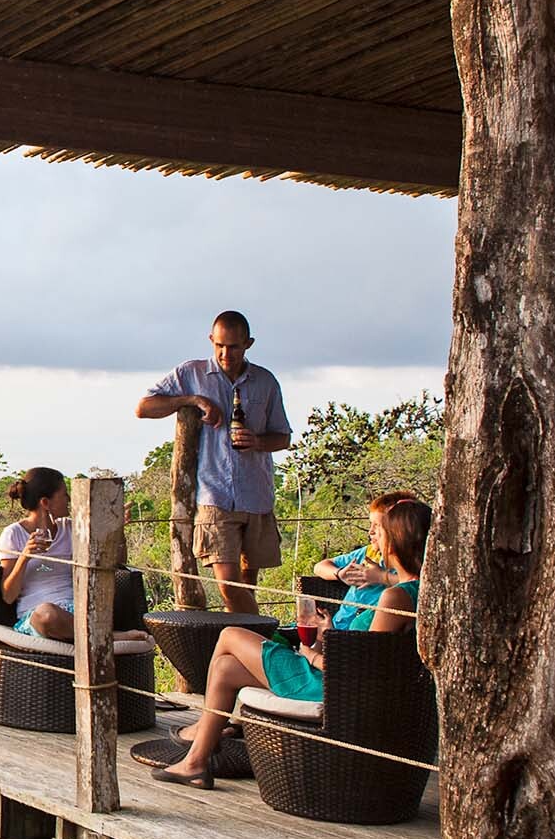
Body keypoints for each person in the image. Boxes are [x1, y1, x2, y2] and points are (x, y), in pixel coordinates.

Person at [151, 497, 429, 790]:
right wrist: (330, 633)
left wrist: (311, 654)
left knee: (230, 635)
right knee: (226, 667)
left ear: (397, 540)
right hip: (333, 677)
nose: (373, 536)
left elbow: (360, 672)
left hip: (329, 687)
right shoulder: (418, 590)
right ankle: (196, 762)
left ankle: (211, 733)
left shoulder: (395, 597)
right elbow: (367, 653)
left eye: (379, 530)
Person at [136, 310, 292, 614]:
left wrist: (258, 442)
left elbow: (283, 437)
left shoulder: (265, 381)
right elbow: (144, 407)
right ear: (211, 340)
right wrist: (192, 400)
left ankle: (244, 648)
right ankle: (270, 643)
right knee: (229, 585)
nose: (225, 353)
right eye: (219, 345)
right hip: (214, 495)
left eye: (233, 346)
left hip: (256, 494)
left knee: (247, 583)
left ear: (248, 344)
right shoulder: (191, 373)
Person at [0, 466, 150, 643]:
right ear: (46, 503)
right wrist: (24, 557)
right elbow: (8, 596)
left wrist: (117, 529)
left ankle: (87, 633)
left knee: (90, 609)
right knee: (47, 614)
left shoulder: (70, 528)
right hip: (37, 617)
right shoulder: (13, 534)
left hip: (75, 613)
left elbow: (118, 561)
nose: (69, 499)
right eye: (64, 494)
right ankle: (111, 637)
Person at [313, 490, 412, 631]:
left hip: (352, 636)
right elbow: (320, 567)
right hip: (336, 626)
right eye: (370, 524)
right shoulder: (369, 552)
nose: (370, 531)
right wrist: (339, 573)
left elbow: (416, 586)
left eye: (377, 526)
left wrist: (381, 577)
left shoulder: (407, 563)